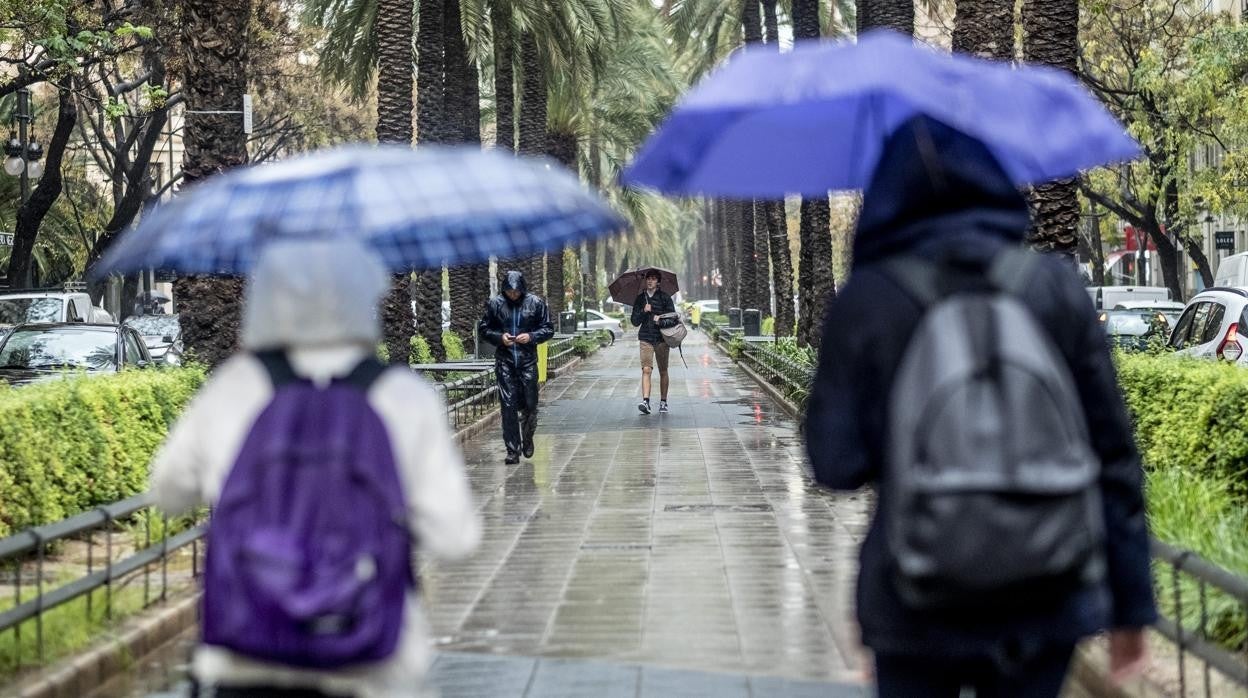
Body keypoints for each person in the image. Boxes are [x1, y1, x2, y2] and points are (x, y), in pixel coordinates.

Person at [804, 116, 1156, 697]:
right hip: (1046, 599)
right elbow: (1113, 457)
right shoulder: (1054, 288)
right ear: (993, 182)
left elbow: (834, 462)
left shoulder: (869, 301)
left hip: (913, 599)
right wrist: (1131, 606)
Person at [151, 239, 481, 698]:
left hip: (248, 658)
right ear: (366, 298)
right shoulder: (405, 396)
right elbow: (456, 538)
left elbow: (166, 492)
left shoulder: (235, 387)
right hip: (369, 664)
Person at [478, 270, 554, 464]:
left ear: (522, 289)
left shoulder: (535, 303)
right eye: (509, 291)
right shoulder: (495, 304)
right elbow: (484, 329)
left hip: (527, 360)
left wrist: (531, 337)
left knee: (530, 404)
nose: (513, 294)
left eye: (516, 291)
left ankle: (527, 437)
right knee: (508, 405)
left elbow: (548, 328)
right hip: (505, 361)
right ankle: (512, 449)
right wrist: (499, 338)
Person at [630, 269, 676, 414]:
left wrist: (660, 320)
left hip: (661, 339)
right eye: (648, 278)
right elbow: (634, 321)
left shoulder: (665, 298)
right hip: (645, 338)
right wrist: (644, 311)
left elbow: (673, 319)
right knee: (646, 369)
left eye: (653, 279)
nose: (650, 281)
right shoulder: (640, 298)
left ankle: (663, 402)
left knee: (663, 371)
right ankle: (646, 401)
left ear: (658, 282)